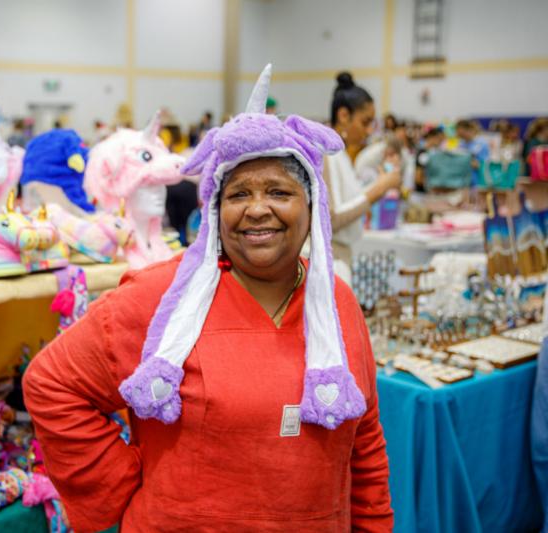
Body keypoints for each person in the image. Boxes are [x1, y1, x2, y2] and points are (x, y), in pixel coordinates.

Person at [24, 65, 392, 532]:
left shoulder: (336, 302)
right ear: (215, 208)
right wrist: (128, 485)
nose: (257, 208)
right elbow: (52, 384)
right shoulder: (159, 297)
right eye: (238, 194)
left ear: (312, 203)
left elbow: (365, 441)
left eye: (278, 191)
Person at [325, 72, 401, 275]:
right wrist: (379, 189)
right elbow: (331, 219)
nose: (368, 131)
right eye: (365, 122)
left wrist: (381, 182)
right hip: (331, 260)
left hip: (340, 257)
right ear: (343, 116)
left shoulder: (342, 154)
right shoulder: (326, 153)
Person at [455, 119, 489, 187]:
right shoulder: (460, 144)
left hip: (477, 182)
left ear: (468, 129)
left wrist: (474, 164)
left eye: (460, 131)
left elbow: (485, 165)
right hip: (463, 182)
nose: (458, 133)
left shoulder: (481, 144)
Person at [415, 127, 445, 192]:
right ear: (431, 137)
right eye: (439, 139)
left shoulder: (434, 153)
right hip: (423, 191)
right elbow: (418, 177)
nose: (440, 142)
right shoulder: (423, 153)